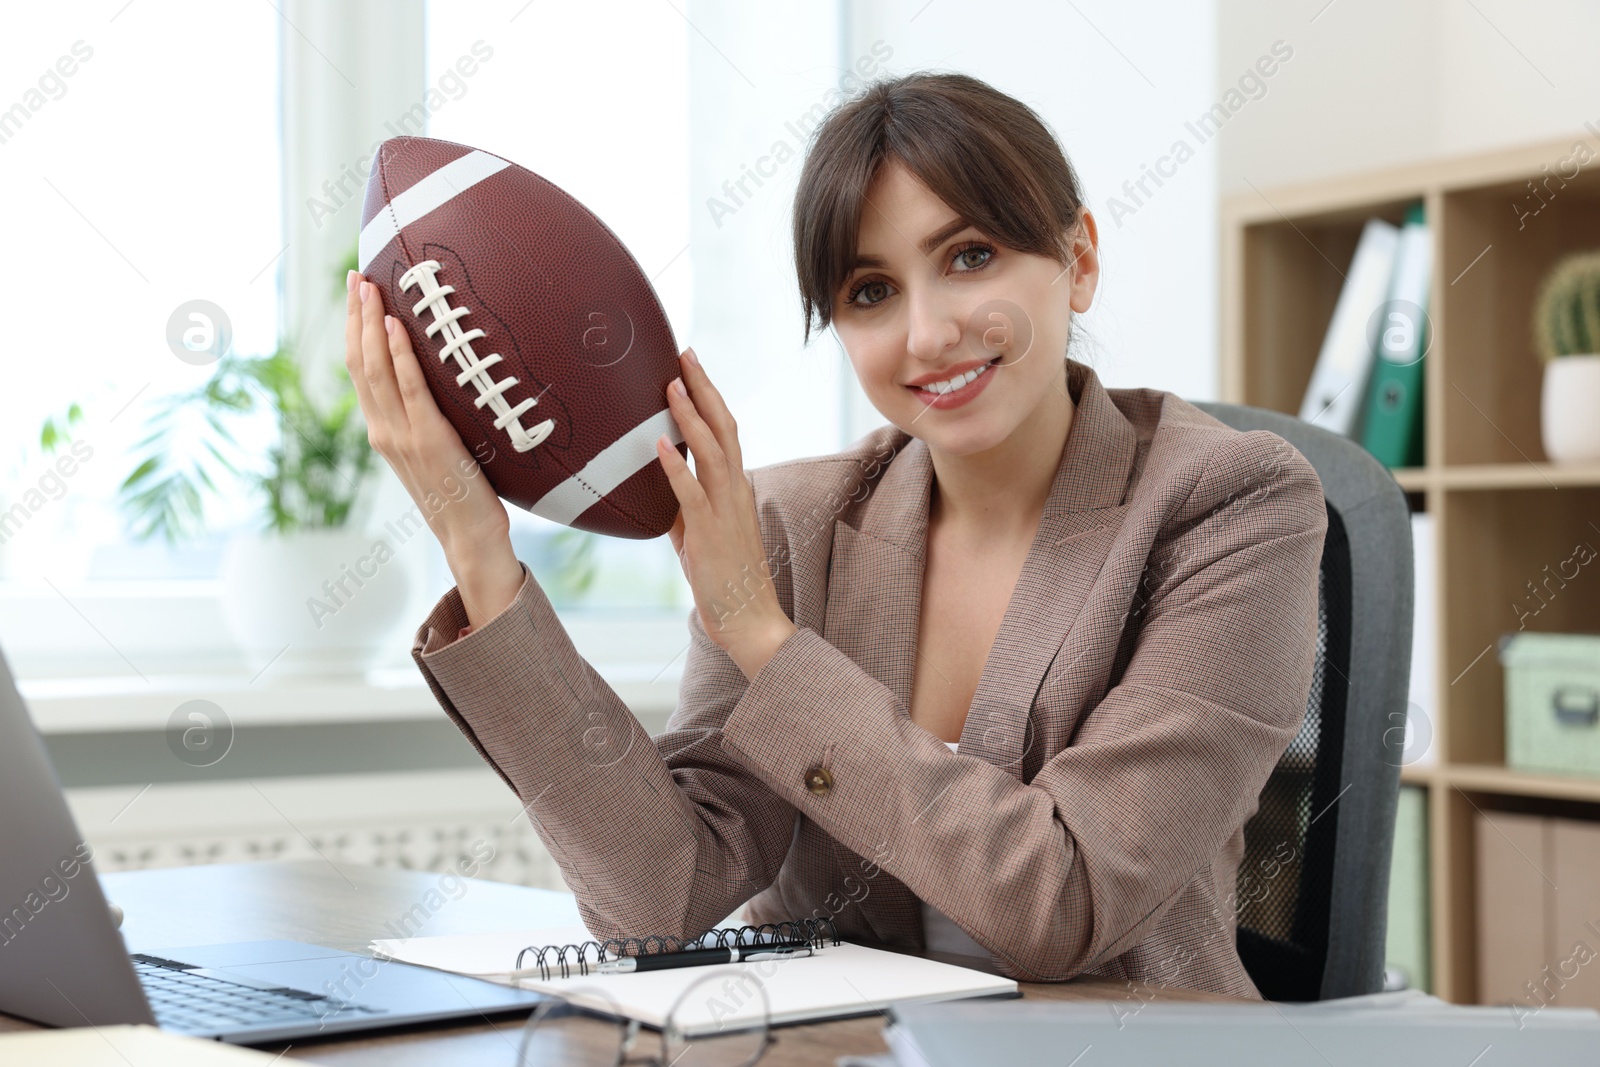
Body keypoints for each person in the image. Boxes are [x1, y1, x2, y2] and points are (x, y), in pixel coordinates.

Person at [343, 71, 1327, 998]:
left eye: (969, 256)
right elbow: (660, 897)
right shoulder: (792, 525)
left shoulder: (1232, 505)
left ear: (1076, 260)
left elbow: (1062, 899)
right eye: (869, 291)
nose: (926, 332)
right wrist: (477, 549)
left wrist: (764, 639)